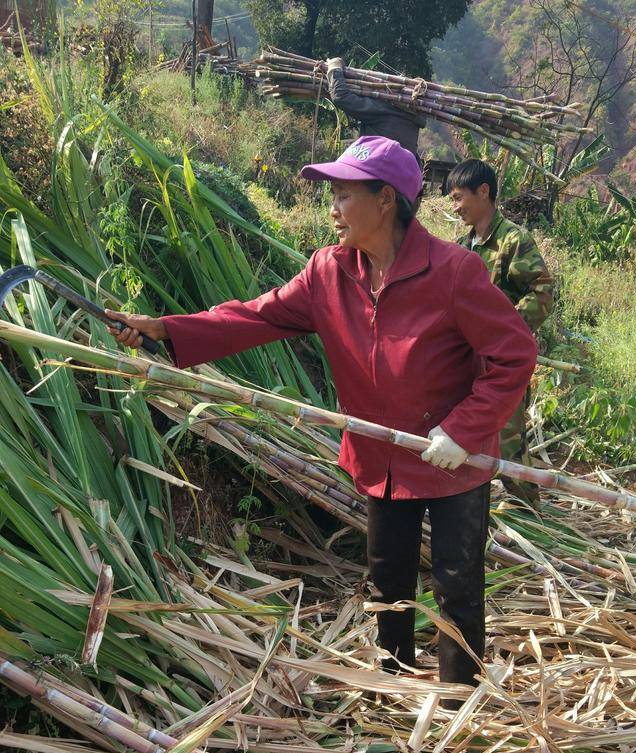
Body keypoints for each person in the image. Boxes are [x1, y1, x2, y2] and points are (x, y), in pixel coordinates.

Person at [106, 136, 536, 704]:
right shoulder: (328, 272)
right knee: (388, 580)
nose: (330, 208)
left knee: (457, 583)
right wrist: (166, 328)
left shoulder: (454, 271)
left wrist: (464, 427)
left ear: (386, 200)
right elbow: (253, 318)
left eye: (342, 195)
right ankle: (391, 689)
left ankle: (459, 705)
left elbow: (514, 353)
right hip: (382, 457)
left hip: (451, 457)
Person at [448, 158, 554, 508]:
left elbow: (542, 292)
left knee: (507, 442)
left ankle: (529, 514)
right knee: (463, 434)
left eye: (459, 197)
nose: (456, 206)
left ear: (483, 192)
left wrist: (503, 334)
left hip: (502, 364)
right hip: (467, 362)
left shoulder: (512, 239)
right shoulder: (464, 246)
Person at [326, 57, 426, 158]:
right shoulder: (413, 122)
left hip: (373, 169)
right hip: (399, 171)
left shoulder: (384, 111)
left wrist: (334, 67)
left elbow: (341, 96)